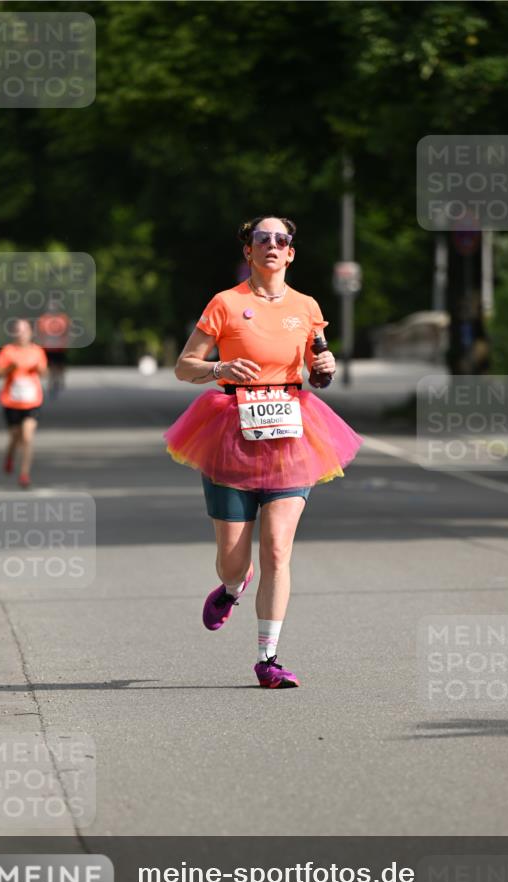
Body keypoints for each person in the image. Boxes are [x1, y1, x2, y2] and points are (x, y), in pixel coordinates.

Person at [165, 215, 362, 689]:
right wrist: (219, 368)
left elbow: (318, 368)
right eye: (262, 239)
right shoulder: (226, 304)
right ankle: (233, 586)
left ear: (290, 253)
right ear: (249, 252)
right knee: (232, 557)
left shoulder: (307, 306)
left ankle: (268, 658)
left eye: (281, 240)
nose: (272, 245)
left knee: (277, 549)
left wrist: (325, 367)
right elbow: (183, 366)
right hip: (231, 429)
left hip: (292, 430)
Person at [0, 318, 48, 488]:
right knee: (14, 438)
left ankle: (24, 474)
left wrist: (39, 369)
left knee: (27, 437)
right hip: (11, 402)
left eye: (24, 330)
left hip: (32, 401)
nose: (21, 334)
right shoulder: (8, 351)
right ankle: (9, 456)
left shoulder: (37, 351)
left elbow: (44, 373)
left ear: (30, 333)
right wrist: (10, 367)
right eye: (18, 330)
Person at [35, 296, 70, 397]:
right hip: (47, 347)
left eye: (55, 306)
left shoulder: (63, 318)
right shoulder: (43, 319)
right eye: (51, 306)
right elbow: (39, 333)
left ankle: (59, 380)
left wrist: (66, 342)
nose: (53, 308)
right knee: (50, 366)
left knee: (59, 366)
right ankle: (51, 382)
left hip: (59, 347)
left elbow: (68, 332)